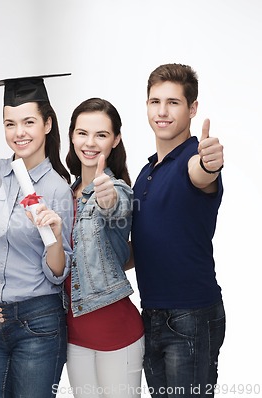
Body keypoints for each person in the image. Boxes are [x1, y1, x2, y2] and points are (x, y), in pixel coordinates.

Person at [0, 74, 74, 398]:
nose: (19, 133)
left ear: (47, 124)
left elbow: (58, 272)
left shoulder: (57, 189)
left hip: (38, 323)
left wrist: (55, 236)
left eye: (29, 122)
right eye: (10, 124)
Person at [130, 63, 226, 397]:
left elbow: (202, 173)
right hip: (151, 313)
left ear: (192, 108)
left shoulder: (193, 159)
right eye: (155, 102)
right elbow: (139, 248)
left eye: (173, 102)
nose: (162, 111)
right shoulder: (145, 173)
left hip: (191, 315)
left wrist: (209, 163)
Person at [64, 98, 144, 398]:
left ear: (116, 139)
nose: (90, 142)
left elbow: (117, 208)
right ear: (72, 135)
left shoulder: (118, 188)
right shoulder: (65, 192)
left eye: (101, 135)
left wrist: (107, 197)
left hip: (116, 332)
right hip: (75, 335)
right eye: (82, 133)